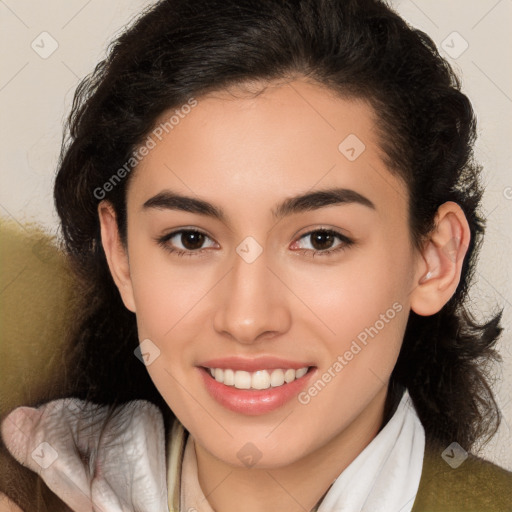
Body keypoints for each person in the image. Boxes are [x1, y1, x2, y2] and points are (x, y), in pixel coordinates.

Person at [1, 0, 511, 510]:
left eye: (321, 240)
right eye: (190, 239)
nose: (247, 318)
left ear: (434, 258)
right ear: (122, 257)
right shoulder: (37, 485)